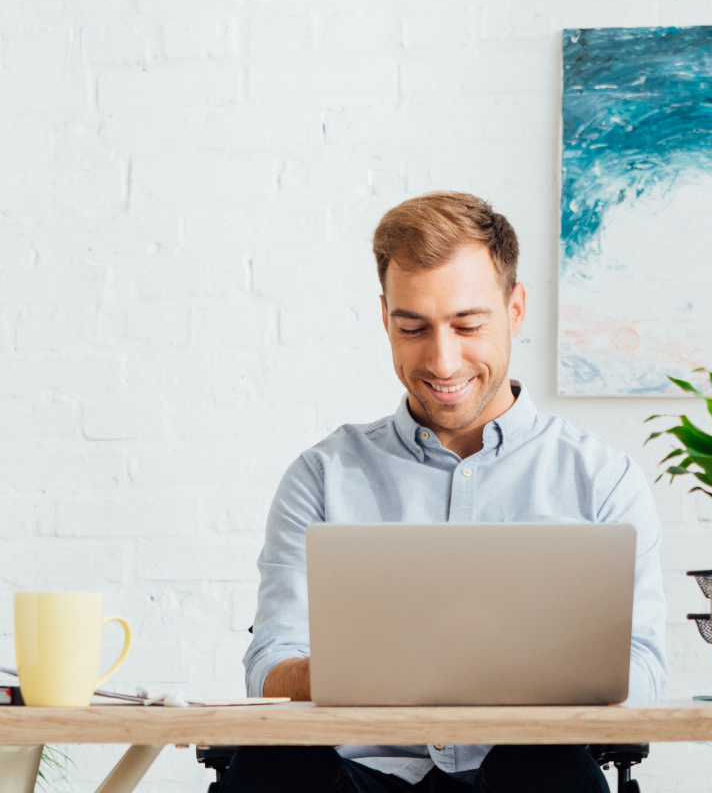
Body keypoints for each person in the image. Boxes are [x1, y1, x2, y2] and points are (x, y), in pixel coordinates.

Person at [226, 191, 669, 793]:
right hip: (359, 780)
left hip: (525, 775)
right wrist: (381, 669)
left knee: (552, 767)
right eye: (413, 327)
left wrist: (495, 672)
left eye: (468, 324)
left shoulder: (600, 479)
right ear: (385, 319)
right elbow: (269, 671)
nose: (442, 359)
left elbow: (640, 672)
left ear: (515, 310)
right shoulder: (323, 476)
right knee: (268, 764)